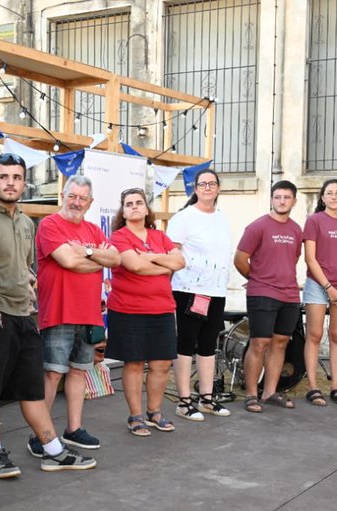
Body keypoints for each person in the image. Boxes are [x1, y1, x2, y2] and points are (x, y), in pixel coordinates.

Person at [0, 154, 97, 476]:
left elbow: (27, 268)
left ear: (24, 183)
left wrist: (30, 291)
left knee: (32, 389)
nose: (10, 182)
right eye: (3, 177)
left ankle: (52, 450)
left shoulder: (27, 223)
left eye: (16, 177)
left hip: (25, 316)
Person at [32, 175, 121, 456]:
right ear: (63, 195)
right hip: (58, 312)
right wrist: (95, 259)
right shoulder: (49, 225)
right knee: (52, 374)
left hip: (88, 313)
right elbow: (68, 260)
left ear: (90, 202)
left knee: (79, 372)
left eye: (82, 198)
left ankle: (73, 429)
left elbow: (115, 259)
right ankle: (41, 435)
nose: (76, 202)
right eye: (72, 196)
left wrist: (87, 251)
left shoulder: (93, 230)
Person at [107, 188, 186, 435]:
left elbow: (180, 262)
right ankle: (135, 416)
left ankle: (154, 413)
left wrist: (150, 256)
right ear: (123, 211)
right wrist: (163, 262)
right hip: (128, 309)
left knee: (162, 364)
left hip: (162, 309)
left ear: (146, 208)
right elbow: (135, 266)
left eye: (139, 202)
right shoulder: (119, 237)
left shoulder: (159, 236)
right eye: (129, 203)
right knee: (134, 363)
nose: (134, 207)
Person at [166, 169, 233, 420]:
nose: (207, 188)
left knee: (208, 344)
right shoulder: (184, 218)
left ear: (218, 188)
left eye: (211, 184)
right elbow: (172, 253)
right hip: (188, 290)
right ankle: (184, 401)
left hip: (215, 291)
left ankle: (207, 398)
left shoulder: (221, 217)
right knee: (186, 344)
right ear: (195, 189)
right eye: (202, 184)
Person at [234, 180, 304, 412]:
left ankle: (270, 392)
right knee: (259, 343)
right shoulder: (258, 227)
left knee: (280, 343)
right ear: (272, 200)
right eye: (277, 197)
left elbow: (292, 259)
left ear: (294, 201)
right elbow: (240, 259)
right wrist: (257, 278)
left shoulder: (296, 230)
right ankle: (251, 394)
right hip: (262, 294)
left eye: (287, 197)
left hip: (289, 295)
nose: (282, 201)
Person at [301, 179, 337, 406]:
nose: (334, 197)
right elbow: (310, 258)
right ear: (322, 197)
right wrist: (328, 287)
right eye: (329, 193)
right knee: (314, 335)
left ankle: (336, 386)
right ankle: (313, 387)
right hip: (318, 285)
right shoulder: (314, 221)